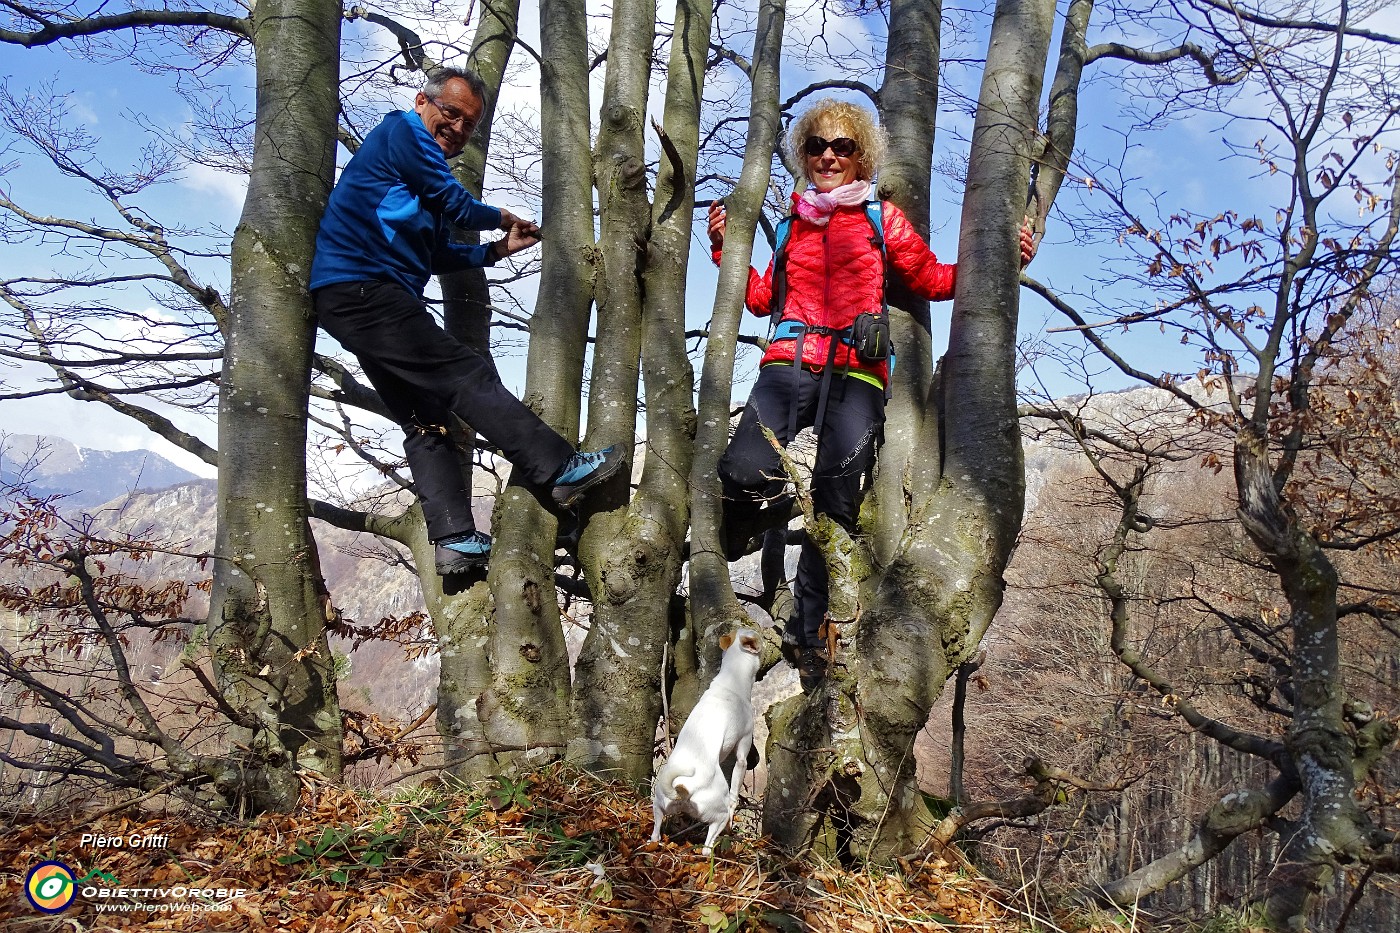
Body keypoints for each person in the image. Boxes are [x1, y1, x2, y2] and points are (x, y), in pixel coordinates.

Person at [708, 98, 1034, 690]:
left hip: (857, 373)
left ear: (862, 158)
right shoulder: (789, 225)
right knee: (741, 471)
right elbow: (760, 300)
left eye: (843, 147)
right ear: (803, 157)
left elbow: (935, 279)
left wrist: (1000, 260)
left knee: (835, 509)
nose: (829, 156)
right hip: (788, 363)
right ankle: (751, 524)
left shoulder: (883, 222)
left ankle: (812, 643)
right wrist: (724, 251)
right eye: (817, 147)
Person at [310, 67, 624, 576]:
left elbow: (436, 254)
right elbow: (455, 203)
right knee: (465, 374)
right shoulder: (401, 133)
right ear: (423, 102)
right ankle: (559, 467)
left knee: (425, 415)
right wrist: (502, 217)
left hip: (360, 300)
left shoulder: (417, 183)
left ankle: (454, 540)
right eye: (450, 113)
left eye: (468, 123)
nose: (456, 127)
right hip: (363, 290)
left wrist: (498, 251)